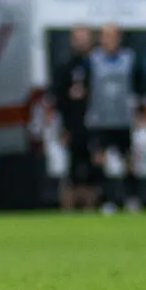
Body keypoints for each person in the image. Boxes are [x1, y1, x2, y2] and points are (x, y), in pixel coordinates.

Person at [84, 22, 146, 214]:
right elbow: (85, 86)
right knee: (100, 161)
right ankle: (107, 200)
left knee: (127, 161)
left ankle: (131, 198)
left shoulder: (129, 59)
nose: (109, 40)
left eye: (112, 36)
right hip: (99, 119)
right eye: (105, 36)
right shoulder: (92, 60)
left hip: (122, 118)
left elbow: (140, 86)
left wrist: (139, 111)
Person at [49, 26, 99, 211]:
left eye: (83, 38)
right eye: (77, 38)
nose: (80, 42)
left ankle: (91, 208)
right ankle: (68, 210)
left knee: (92, 171)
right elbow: (57, 99)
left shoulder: (97, 67)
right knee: (70, 171)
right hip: (72, 126)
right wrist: (61, 127)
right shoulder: (65, 68)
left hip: (93, 126)